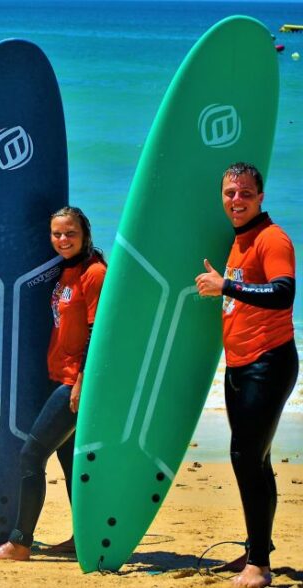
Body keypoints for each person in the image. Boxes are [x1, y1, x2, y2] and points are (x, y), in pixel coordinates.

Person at [0, 206, 107, 561]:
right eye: (57, 234)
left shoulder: (94, 273)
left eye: (70, 233)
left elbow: (99, 332)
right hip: (59, 376)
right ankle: (84, 538)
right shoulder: (66, 271)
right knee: (70, 463)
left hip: (73, 382)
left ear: (85, 234)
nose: (63, 239)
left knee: (32, 455)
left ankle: (20, 543)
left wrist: (81, 381)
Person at [195, 162, 297, 588]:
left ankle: (259, 566)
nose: (236, 200)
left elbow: (283, 292)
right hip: (239, 366)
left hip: (268, 362)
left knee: (245, 457)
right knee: (256, 459)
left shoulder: (272, 238)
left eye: (245, 193)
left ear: (261, 197)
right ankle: (258, 548)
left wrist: (226, 286)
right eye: (230, 193)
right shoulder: (239, 240)